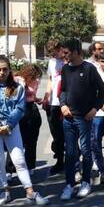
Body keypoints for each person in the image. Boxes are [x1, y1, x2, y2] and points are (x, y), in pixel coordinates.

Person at [0, 57, 49, 206]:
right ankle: (4, 191)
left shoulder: (18, 88)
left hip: (12, 127)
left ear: (9, 69)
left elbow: (20, 108)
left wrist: (9, 125)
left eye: (5, 69)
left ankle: (30, 191)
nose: (2, 72)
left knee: (18, 159)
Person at [58, 39, 104, 201]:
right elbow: (63, 90)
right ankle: (69, 185)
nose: (63, 55)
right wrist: (63, 104)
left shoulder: (89, 68)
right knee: (70, 153)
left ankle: (86, 182)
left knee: (86, 151)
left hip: (84, 118)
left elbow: (103, 91)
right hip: (68, 119)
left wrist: (94, 109)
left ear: (76, 51)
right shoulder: (65, 69)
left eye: (66, 53)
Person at [42, 40, 66, 175]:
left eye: (55, 51)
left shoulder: (67, 61)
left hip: (65, 103)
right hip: (53, 103)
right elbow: (51, 80)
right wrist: (46, 96)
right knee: (56, 134)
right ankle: (60, 160)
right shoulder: (52, 62)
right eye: (52, 53)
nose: (54, 55)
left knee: (67, 132)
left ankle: (72, 159)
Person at [14, 64, 44, 171]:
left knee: (32, 141)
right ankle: (11, 167)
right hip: (19, 109)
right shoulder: (17, 80)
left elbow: (32, 95)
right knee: (17, 141)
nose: (36, 78)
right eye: (33, 76)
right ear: (27, 74)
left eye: (37, 76)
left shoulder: (36, 81)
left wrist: (37, 99)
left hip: (32, 109)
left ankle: (30, 165)